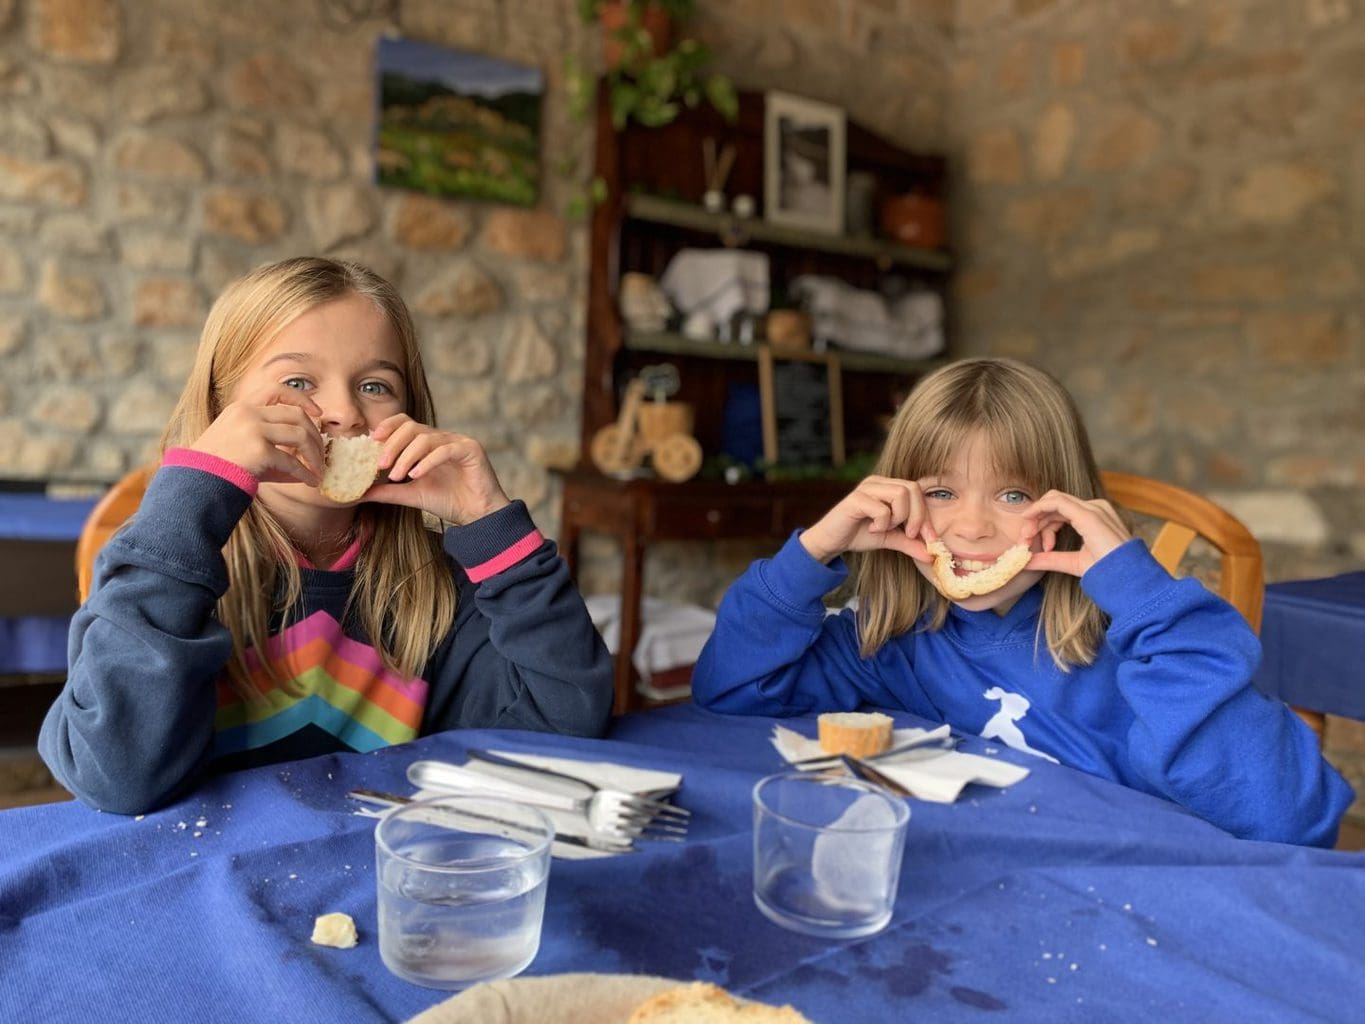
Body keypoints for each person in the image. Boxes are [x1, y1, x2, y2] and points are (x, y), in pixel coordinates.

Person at [692, 357, 1353, 847]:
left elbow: (1293, 819)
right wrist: (812, 554)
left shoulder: (1141, 658)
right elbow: (730, 693)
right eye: (941, 492)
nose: (971, 528)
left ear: (1067, 511)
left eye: (1011, 496)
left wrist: (1144, 596)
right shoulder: (884, 641)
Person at [40, 257, 613, 814]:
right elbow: (113, 776)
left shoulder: (439, 592)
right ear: (221, 409)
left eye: (375, 386)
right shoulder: (167, 572)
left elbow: (564, 729)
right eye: (297, 381)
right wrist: (193, 493)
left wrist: (490, 521)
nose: (344, 412)